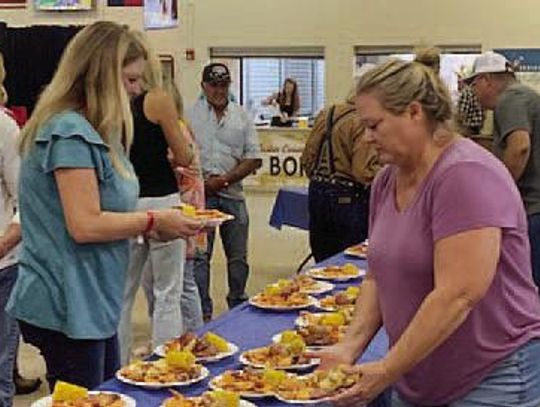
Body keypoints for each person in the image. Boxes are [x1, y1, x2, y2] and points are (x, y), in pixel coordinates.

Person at [313, 58, 540, 407]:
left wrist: (386, 370)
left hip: (490, 377)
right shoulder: (387, 180)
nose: (367, 138)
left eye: (374, 125)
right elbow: (378, 275)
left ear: (414, 112)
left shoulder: (465, 175)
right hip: (419, 373)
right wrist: (349, 346)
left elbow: (457, 295)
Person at [6, 21, 202, 390]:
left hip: (90, 298)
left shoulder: (94, 130)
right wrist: (152, 220)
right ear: (100, 78)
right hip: (68, 303)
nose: (137, 91)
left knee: (109, 391)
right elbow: (84, 224)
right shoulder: (68, 132)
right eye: (129, 81)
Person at [117, 33, 194, 365]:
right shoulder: (158, 100)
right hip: (162, 200)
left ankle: (116, 365)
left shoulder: (110, 104)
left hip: (124, 202)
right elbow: (185, 155)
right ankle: (166, 363)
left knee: (122, 294)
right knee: (168, 292)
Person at [187, 62, 262, 321]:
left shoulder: (242, 116)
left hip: (233, 195)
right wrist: (201, 183)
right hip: (200, 195)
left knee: (238, 256)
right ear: (203, 86)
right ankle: (203, 313)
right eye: (213, 85)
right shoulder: (189, 115)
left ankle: (238, 306)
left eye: (223, 85)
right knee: (199, 257)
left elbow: (253, 158)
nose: (218, 90)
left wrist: (226, 180)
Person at [467, 51, 540, 291]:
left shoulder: (511, 99)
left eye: (474, 84)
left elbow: (519, 147)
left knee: (527, 286)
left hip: (532, 209)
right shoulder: (526, 96)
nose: (474, 93)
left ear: (486, 80)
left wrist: (499, 194)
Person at [140, 76, 205, 344]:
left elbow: (187, 167)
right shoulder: (178, 127)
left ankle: (191, 338)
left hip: (179, 208)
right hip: (168, 207)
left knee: (180, 285)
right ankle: (172, 341)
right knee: (164, 287)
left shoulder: (178, 129)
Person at [0, 51, 41, 406]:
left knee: (0, 372)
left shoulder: (4, 127)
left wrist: (3, 244)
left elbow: (27, 204)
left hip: (2, 266)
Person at [301, 95, 379, 262]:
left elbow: (307, 159)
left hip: (317, 191)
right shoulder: (360, 122)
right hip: (348, 195)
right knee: (352, 259)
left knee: (322, 258)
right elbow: (363, 171)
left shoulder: (326, 114)